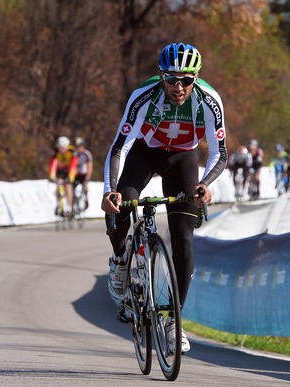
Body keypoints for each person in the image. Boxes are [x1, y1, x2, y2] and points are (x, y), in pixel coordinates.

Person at [101, 42, 227, 354]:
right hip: (145, 153)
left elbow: (219, 152)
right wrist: (109, 190)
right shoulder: (144, 96)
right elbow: (120, 146)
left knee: (183, 240)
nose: (178, 86)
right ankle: (120, 259)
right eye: (171, 79)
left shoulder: (209, 101)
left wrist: (206, 183)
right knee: (121, 204)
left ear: (196, 78)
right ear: (161, 76)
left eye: (186, 79)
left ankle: (173, 322)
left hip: (183, 159)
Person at [49, 136, 77, 217]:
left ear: (67, 147)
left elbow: (73, 166)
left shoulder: (72, 152)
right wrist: (52, 176)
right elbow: (52, 166)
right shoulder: (55, 153)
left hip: (69, 171)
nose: (62, 150)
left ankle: (69, 207)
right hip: (60, 171)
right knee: (58, 184)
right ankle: (58, 203)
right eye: (60, 148)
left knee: (68, 186)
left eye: (64, 148)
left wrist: (70, 177)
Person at [73, 136, 93, 210]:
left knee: (85, 187)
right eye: (77, 146)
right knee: (71, 189)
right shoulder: (73, 154)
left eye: (80, 146)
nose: (78, 148)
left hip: (84, 174)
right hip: (75, 175)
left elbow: (89, 167)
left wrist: (87, 179)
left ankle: (86, 199)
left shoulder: (87, 154)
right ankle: (72, 207)